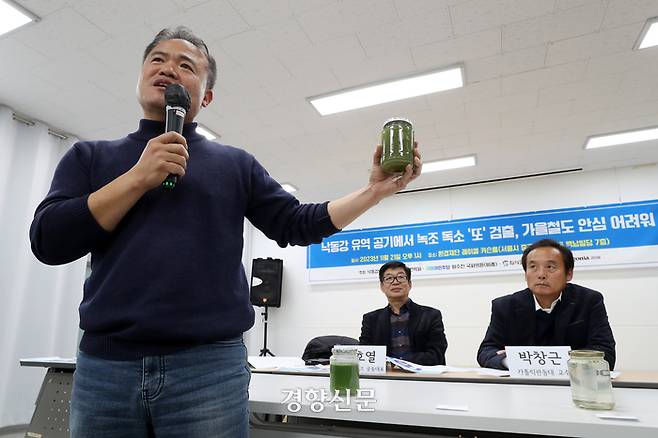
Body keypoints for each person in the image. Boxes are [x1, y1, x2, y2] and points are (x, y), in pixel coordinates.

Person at [29, 26, 422, 438]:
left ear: (206, 97)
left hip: (208, 370)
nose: (168, 69)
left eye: (186, 66)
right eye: (157, 60)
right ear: (141, 77)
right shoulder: (91, 157)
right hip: (105, 367)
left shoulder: (235, 164)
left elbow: (296, 223)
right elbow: (49, 241)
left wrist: (375, 191)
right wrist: (138, 178)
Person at [477, 239, 616, 370]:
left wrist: (541, 362)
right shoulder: (505, 306)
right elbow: (486, 351)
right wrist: (509, 361)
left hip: (573, 385)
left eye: (550, 267)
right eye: (533, 267)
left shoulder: (589, 301)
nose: (541, 274)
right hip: (522, 387)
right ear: (525, 274)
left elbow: (605, 354)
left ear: (569, 274)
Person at [359, 261, 448, 365]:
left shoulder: (431, 316)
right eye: (389, 278)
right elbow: (365, 355)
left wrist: (398, 362)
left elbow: (436, 355)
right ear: (382, 287)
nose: (395, 282)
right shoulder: (371, 319)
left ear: (410, 284)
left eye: (401, 277)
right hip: (386, 378)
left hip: (423, 377)